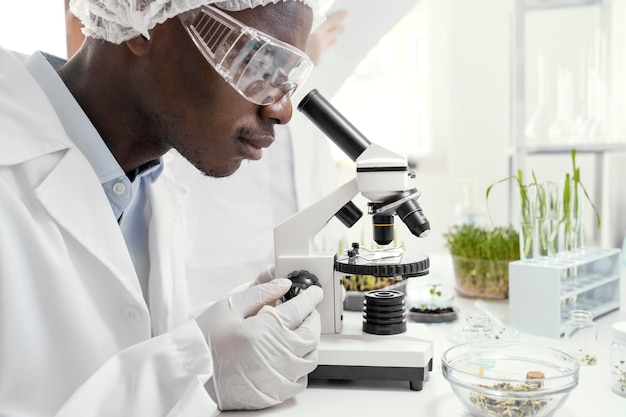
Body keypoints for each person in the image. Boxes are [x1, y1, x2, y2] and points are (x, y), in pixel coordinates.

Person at [0, 0, 333, 415]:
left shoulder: (148, 183)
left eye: (288, 79)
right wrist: (196, 373)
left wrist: (222, 336)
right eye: (258, 62)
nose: (281, 110)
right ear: (144, 28)